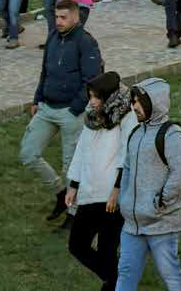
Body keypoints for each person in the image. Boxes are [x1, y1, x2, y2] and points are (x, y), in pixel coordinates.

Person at [115, 77, 181, 291]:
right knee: (125, 273)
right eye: (133, 101)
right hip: (132, 224)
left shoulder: (173, 135)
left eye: (139, 101)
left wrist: (160, 201)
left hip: (162, 223)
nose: (134, 106)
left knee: (171, 276)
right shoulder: (136, 133)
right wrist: (125, 198)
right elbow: (127, 168)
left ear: (155, 102)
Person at [21, 1, 105, 198]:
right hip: (46, 108)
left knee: (70, 166)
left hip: (71, 112)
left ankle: (73, 212)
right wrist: (37, 99)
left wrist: (75, 108)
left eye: (63, 17)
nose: (58, 21)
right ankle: (60, 193)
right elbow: (45, 71)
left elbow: (91, 80)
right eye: (56, 17)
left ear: (76, 18)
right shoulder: (52, 37)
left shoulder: (86, 42)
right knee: (28, 154)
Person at [63, 73, 132, 290]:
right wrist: (73, 185)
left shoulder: (127, 118)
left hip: (112, 196)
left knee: (107, 248)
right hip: (89, 191)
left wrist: (116, 189)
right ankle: (115, 279)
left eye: (96, 97)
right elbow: (81, 150)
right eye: (90, 96)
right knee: (77, 245)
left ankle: (113, 282)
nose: (91, 101)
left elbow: (126, 155)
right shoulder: (91, 116)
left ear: (109, 97)